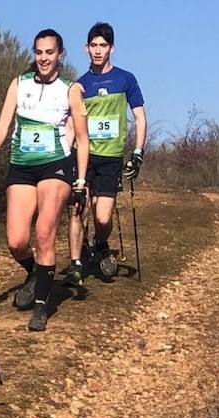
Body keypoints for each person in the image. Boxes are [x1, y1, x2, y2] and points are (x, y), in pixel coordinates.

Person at [0, 28, 89, 331]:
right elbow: (4, 122)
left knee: (44, 232)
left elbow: (83, 139)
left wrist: (80, 182)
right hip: (21, 165)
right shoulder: (19, 84)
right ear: (34, 53)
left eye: (50, 52)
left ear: (60, 55)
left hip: (55, 165)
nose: (44, 58)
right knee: (16, 241)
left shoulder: (71, 90)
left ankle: (42, 305)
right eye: (39, 52)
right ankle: (36, 272)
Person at [64, 22, 146, 285]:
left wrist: (138, 152)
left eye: (103, 46)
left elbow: (140, 117)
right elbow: (69, 123)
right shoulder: (80, 85)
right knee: (78, 209)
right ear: (86, 48)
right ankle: (76, 263)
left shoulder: (126, 79)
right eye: (94, 46)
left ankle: (101, 243)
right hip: (84, 155)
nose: (98, 51)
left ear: (112, 48)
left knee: (102, 216)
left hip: (111, 157)